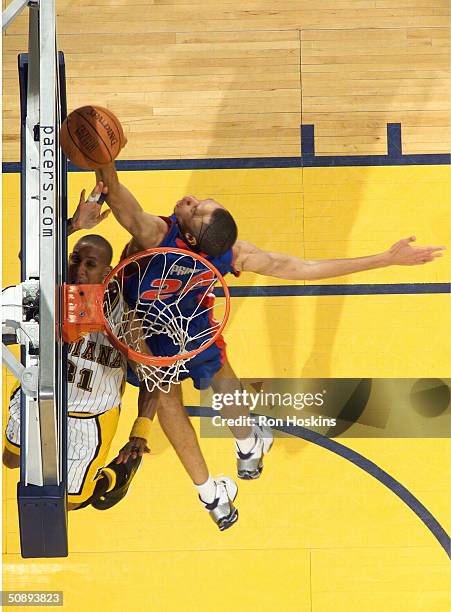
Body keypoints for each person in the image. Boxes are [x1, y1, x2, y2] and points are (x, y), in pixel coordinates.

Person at [92, 163, 445, 531]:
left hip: (142, 329)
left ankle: (211, 495)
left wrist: (104, 159)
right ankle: (247, 447)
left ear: (193, 241)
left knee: (167, 400)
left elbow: (118, 196)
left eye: (195, 210)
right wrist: (384, 259)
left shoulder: (155, 234)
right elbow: (305, 268)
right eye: (199, 204)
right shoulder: (232, 255)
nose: (190, 201)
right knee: (222, 376)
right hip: (190, 325)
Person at [3, 191, 153, 511]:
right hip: (37, 396)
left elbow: (157, 379)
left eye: (90, 264)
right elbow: (27, 255)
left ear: (107, 270)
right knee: (11, 460)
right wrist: (72, 224)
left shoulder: (124, 317)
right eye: (75, 259)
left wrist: (141, 429)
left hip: (89, 417)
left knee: (68, 505)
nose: (80, 270)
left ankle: (115, 475)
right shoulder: (53, 288)